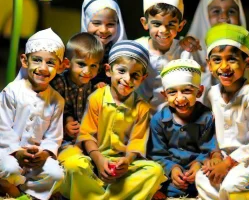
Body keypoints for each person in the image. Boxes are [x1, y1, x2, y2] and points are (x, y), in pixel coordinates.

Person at [58, 40, 166, 200]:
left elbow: (137, 142)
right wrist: (99, 160)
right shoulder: (96, 98)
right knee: (74, 165)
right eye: (122, 71)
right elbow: (87, 135)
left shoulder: (141, 107)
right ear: (108, 71)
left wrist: (127, 161)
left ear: (143, 78)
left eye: (135, 75)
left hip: (121, 165)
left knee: (155, 171)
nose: (127, 79)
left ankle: (96, 195)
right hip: (94, 161)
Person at [0, 28, 65, 200]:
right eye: (37, 60)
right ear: (25, 60)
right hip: (8, 152)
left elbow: (54, 136)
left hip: (36, 158)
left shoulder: (57, 100)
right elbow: (2, 128)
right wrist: (17, 151)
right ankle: (10, 189)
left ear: (60, 66)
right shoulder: (12, 92)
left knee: (56, 174)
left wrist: (44, 152)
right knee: (10, 169)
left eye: (51, 63)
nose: (43, 68)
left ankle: (25, 192)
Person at [195, 23, 249, 200]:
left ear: (248, 62)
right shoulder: (211, 94)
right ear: (208, 64)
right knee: (202, 178)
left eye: (232, 59)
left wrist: (229, 163)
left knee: (232, 185)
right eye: (217, 60)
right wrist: (214, 156)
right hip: (223, 158)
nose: (224, 67)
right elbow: (209, 130)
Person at [147, 59, 217, 199]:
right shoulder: (158, 120)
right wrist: (172, 168)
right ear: (164, 95)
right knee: (150, 175)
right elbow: (156, 154)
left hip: (199, 173)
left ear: (199, 91)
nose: (180, 98)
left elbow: (210, 149)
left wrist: (198, 164)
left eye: (187, 90)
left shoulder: (207, 117)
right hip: (168, 176)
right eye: (172, 92)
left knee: (213, 179)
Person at [186, 0, 249, 106]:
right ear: (204, 14)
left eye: (231, 11)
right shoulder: (189, 47)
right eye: (216, 11)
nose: (224, 16)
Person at [135, 0, 201, 114]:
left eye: (171, 24)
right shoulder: (137, 49)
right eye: (156, 24)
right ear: (145, 23)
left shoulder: (184, 52)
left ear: (180, 26)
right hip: (138, 119)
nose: (163, 30)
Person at [50, 32, 104, 152]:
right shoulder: (59, 83)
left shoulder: (92, 87)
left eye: (93, 66)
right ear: (67, 63)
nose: (87, 71)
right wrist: (66, 124)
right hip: (61, 140)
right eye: (81, 64)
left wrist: (102, 93)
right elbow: (52, 112)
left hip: (86, 139)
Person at [81, 0, 127, 88]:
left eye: (110, 24)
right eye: (96, 23)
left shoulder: (123, 54)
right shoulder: (77, 50)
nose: (103, 30)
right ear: (86, 21)